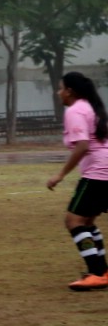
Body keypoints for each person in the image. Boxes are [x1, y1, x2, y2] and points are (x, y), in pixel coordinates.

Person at [46, 72, 108, 291]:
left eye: (60, 88)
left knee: (74, 221)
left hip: (98, 174)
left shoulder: (75, 110)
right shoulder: (89, 106)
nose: (58, 92)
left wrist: (60, 174)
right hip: (104, 171)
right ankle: (102, 270)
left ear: (70, 91)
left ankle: (97, 272)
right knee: (88, 221)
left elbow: (82, 145)